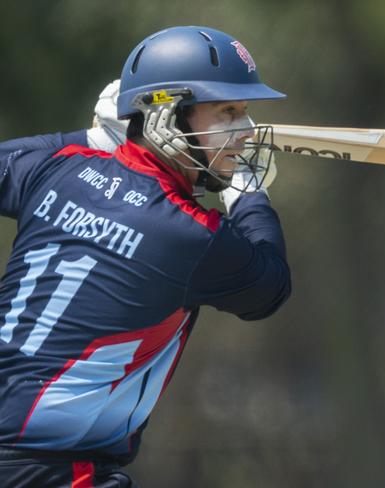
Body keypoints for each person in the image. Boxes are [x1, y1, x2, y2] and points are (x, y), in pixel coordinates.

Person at [0, 25, 291, 487]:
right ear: (168, 118)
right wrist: (249, 195)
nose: (246, 133)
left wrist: (92, 139)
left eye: (246, 113)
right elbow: (268, 289)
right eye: (227, 112)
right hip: (52, 470)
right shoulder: (187, 234)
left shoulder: (58, 167)